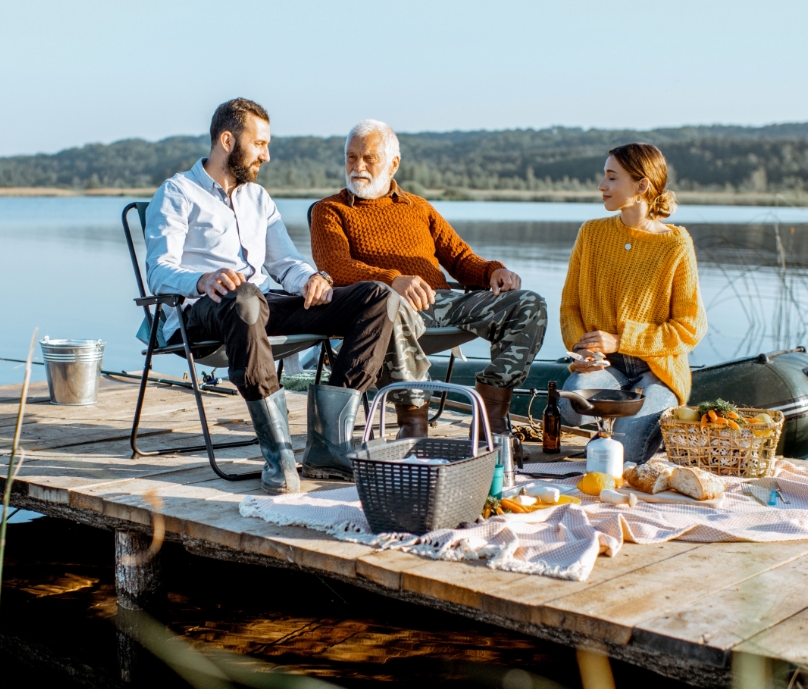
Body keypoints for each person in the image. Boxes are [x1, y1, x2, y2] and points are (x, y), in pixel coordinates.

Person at [142, 99, 425, 492]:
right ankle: (279, 454)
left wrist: (312, 279)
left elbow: (286, 263)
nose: (266, 155)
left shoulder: (258, 199)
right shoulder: (177, 193)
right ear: (228, 141)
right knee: (243, 296)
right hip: (200, 313)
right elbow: (158, 272)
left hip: (260, 305)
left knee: (377, 296)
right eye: (259, 144)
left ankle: (329, 446)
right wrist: (203, 279)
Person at [310, 120, 548, 438]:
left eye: (369, 158)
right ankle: (413, 425)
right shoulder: (329, 210)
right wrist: (393, 280)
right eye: (351, 157)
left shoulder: (418, 207)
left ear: (393, 164)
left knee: (529, 303)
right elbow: (335, 267)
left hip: (441, 301)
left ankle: (491, 415)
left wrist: (493, 271)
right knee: (388, 307)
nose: (358, 166)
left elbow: (460, 259)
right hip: (383, 310)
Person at [559, 143, 707, 462]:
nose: (602, 185)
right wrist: (583, 350)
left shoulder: (676, 244)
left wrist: (622, 340)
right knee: (570, 406)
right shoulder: (591, 234)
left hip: (657, 368)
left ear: (641, 186)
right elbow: (570, 307)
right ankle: (624, 422)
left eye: (612, 177)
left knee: (623, 453)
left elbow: (690, 327)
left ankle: (646, 419)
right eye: (604, 176)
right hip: (605, 365)